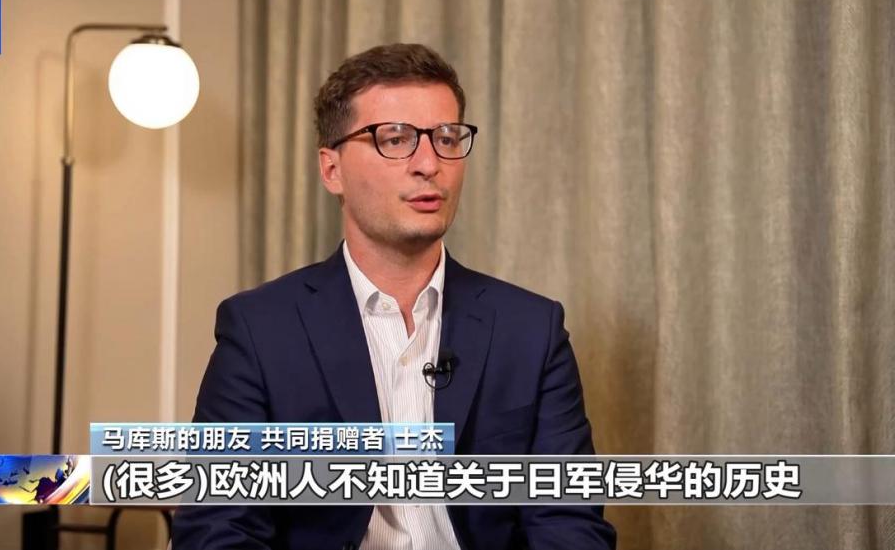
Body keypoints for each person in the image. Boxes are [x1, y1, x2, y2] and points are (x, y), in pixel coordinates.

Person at [172, 43, 616, 550]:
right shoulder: (261, 330)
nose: (429, 163)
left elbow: (570, 524)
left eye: (446, 138)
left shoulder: (532, 331)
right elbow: (217, 528)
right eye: (396, 139)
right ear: (332, 169)